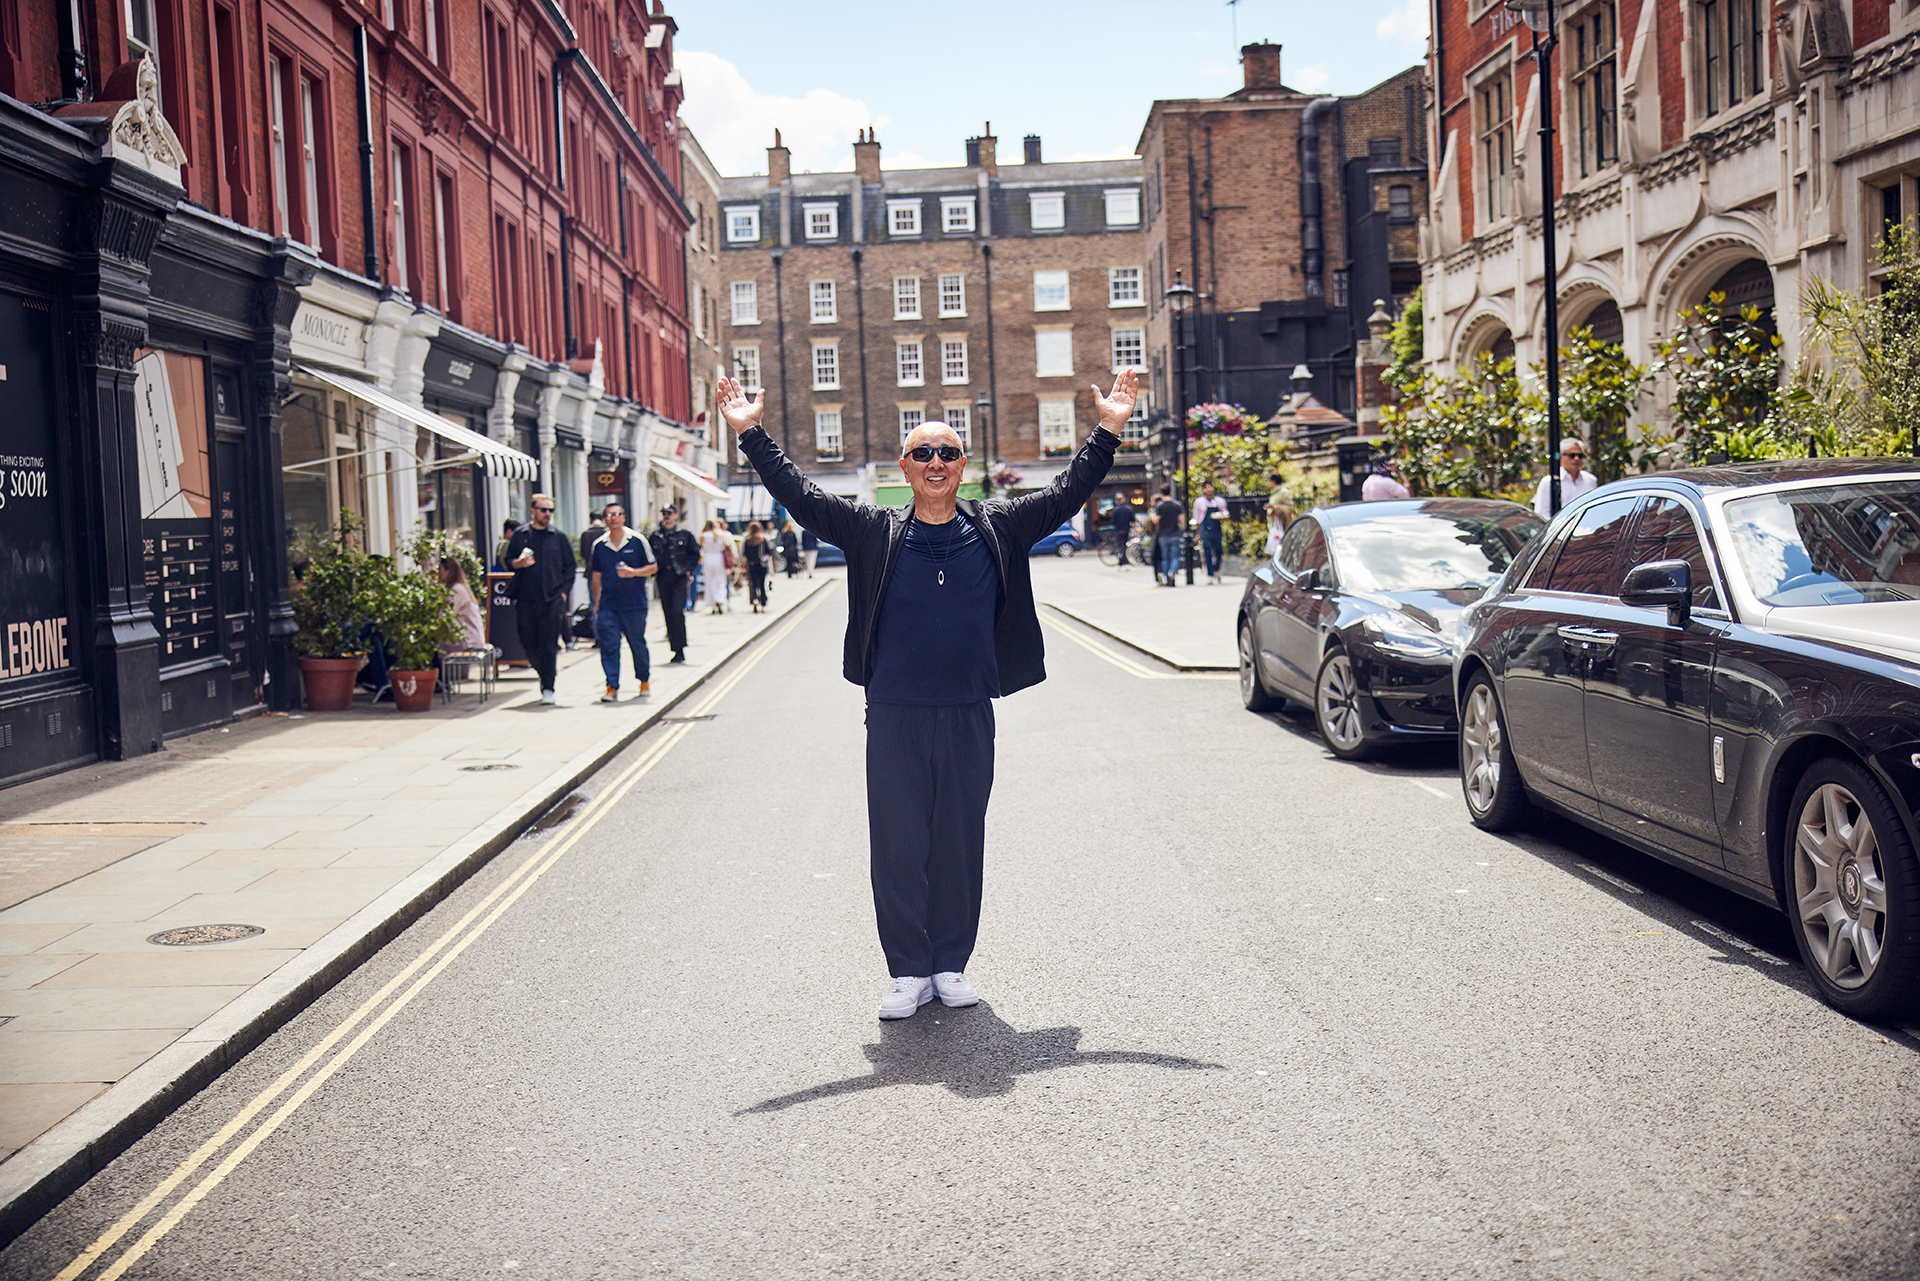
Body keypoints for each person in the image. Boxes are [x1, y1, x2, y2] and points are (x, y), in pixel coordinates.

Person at [719, 367, 1136, 1020]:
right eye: (923, 453)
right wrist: (751, 433)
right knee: (898, 842)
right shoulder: (873, 531)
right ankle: (908, 970)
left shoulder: (997, 524)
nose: (935, 462)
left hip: (970, 711)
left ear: (964, 465)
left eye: (946, 452)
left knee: (960, 841)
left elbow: (1066, 493)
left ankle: (949, 962)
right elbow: (801, 497)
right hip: (893, 714)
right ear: (906, 467)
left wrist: (1108, 428)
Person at [503, 494, 576, 704]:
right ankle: (544, 671)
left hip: (552, 598)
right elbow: (508, 562)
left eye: (550, 511)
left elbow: (569, 566)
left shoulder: (558, 537)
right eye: (543, 510)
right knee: (527, 640)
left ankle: (548, 686)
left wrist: (563, 593)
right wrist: (519, 562)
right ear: (533, 511)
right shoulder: (520, 535)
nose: (547, 515)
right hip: (526, 597)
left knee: (549, 643)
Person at [589, 503, 657, 702]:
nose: (613, 518)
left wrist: (634, 573)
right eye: (609, 515)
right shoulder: (599, 545)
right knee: (609, 645)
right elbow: (595, 576)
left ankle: (644, 680)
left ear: (624, 517)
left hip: (634, 603)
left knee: (637, 644)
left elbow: (653, 567)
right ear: (604, 519)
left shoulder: (637, 541)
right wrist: (596, 604)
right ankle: (611, 686)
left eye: (617, 514)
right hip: (608, 604)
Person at [649, 506, 699, 664]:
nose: (666, 516)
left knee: (677, 611)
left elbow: (695, 554)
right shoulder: (656, 536)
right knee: (668, 612)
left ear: (676, 515)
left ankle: (680, 647)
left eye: (669, 513)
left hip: (679, 576)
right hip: (663, 577)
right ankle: (675, 649)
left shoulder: (685, 534)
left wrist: (688, 571)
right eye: (664, 514)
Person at [1533, 436, 1598, 518]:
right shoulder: (1549, 482)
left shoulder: (1590, 480)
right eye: (1572, 455)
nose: (1576, 459)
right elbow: (1542, 513)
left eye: (1580, 456)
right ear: (1561, 457)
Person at [437, 557, 486, 651]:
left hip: (467, 641)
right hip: (472, 639)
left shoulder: (457, 590)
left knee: (437, 649)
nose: (437, 574)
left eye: (440, 570)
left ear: (448, 571)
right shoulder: (461, 587)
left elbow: (445, 615)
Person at [1193, 482, 1229, 584]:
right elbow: (1197, 518)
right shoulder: (1199, 502)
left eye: (1210, 487)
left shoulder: (1220, 501)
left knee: (1218, 550)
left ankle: (1216, 569)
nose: (1209, 489)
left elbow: (1224, 513)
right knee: (1207, 550)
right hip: (1205, 527)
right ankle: (1210, 573)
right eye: (1206, 488)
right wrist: (1198, 533)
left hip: (1216, 527)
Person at [1152, 485, 1184, 586]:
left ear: (1161, 493)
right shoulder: (1177, 505)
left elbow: (1155, 520)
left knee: (1165, 557)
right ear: (1170, 492)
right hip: (1175, 533)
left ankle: (1166, 576)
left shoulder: (1160, 506)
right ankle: (1173, 574)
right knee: (1174, 557)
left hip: (1163, 534)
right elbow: (1182, 520)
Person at [698, 518, 731, 613]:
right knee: (720, 580)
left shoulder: (704, 535)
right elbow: (726, 546)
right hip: (719, 557)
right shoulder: (721, 535)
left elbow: (700, 547)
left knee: (709, 581)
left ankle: (712, 603)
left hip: (708, 557)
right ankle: (720, 599)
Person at [742, 520, 773, 613]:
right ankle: (763, 604)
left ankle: (755, 600)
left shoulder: (748, 540)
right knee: (762, 584)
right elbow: (768, 552)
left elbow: (744, 553)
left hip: (751, 564)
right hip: (762, 565)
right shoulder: (763, 539)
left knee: (754, 584)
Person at [1265, 472, 1294, 556]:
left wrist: (1276, 507)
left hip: (1282, 526)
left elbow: (1290, 508)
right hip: (1275, 526)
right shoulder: (1274, 493)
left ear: (1273, 481)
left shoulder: (1283, 492)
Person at [1108, 493, 1136, 567]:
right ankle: (1125, 559)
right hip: (1126, 529)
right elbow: (1132, 519)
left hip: (1118, 530)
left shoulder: (1116, 510)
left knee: (1120, 545)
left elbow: (1112, 521)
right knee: (1125, 544)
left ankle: (1122, 560)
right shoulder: (1128, 509)